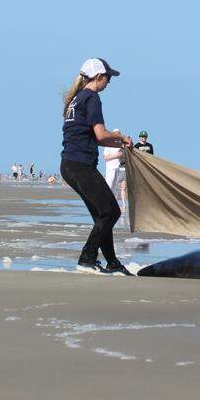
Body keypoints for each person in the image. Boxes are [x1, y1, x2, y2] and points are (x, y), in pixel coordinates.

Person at [61, 58, 133, 275]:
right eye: (108, 77)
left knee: (102, 215)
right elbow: (101, 134)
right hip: (80, 166)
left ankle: (112, 263)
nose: (109, 82)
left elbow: (97, 138)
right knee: (110, 212)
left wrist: (121, 143)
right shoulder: (92, 98)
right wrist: (119, 135)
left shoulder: (76, 99)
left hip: (70, 165)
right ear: (98, 77)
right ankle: (86, 258)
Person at [102, 130, 127, 225]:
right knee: (109, 186)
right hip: (110, 169)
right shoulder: (108, 144)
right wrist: (116, 155)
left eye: (119, 134)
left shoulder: (121, 145)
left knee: (117, 188)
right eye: (115, 134)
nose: (117, 135)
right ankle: (106, 205)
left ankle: (113, 206)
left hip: (120, 168)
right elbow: (105, 158)